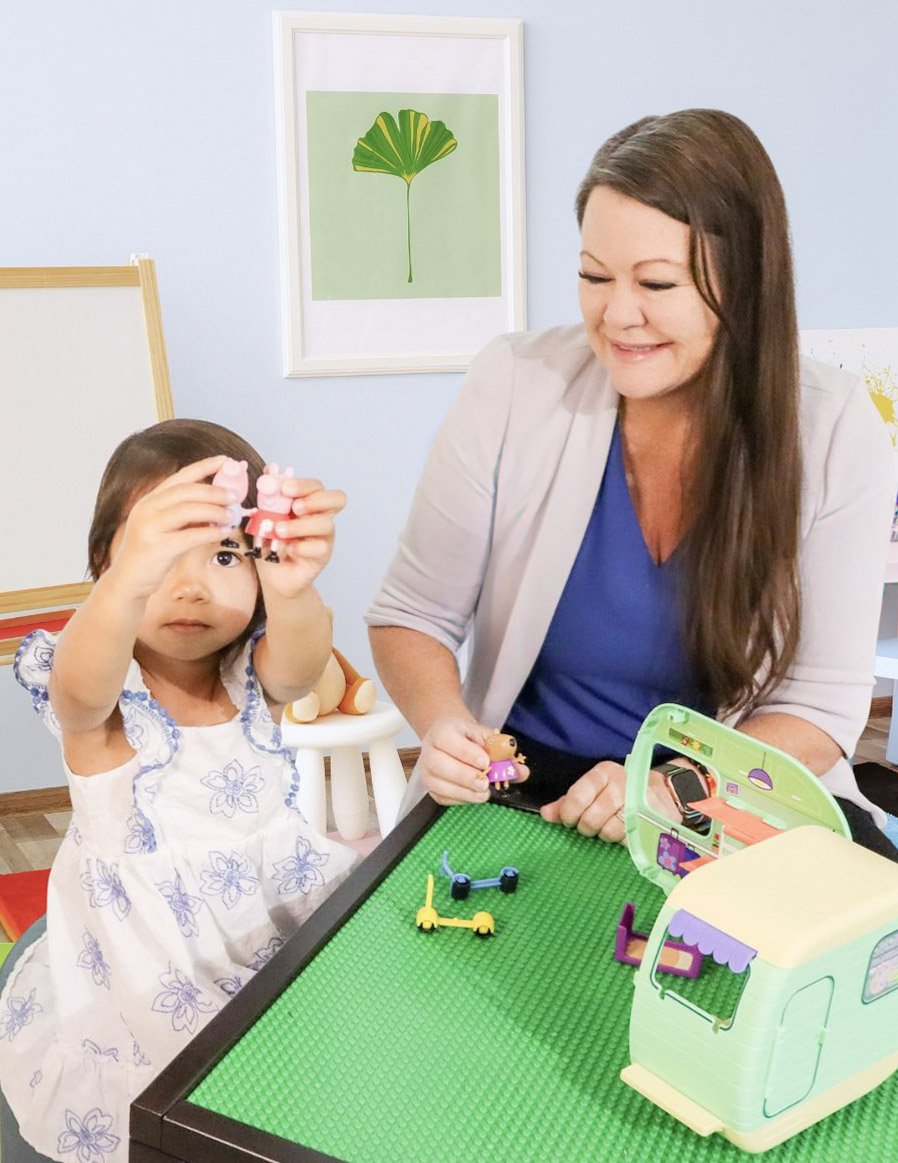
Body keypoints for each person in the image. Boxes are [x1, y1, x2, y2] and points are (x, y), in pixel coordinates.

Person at [366, 108, 897, 856]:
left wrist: (666, 790)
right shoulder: (514, 382)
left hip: (730, 787)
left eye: (655, 282)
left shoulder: (836, 428)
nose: (618, 314)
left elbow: (818, 708)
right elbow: (411, 614)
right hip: (531, 781)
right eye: (592, 275)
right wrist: (446, 724)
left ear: (742, 285)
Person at [0, 419, 357, 1162]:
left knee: (301, 1066)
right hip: (147, 965)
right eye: (161, 556)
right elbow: (75, 693)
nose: (191, 584)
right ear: (108, 566)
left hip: (266, 919)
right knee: (175, 1111)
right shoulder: (103, 696)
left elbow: (298, 668)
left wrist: (295, 587)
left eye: (225, 553)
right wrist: (128, 577)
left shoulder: (249, 676)